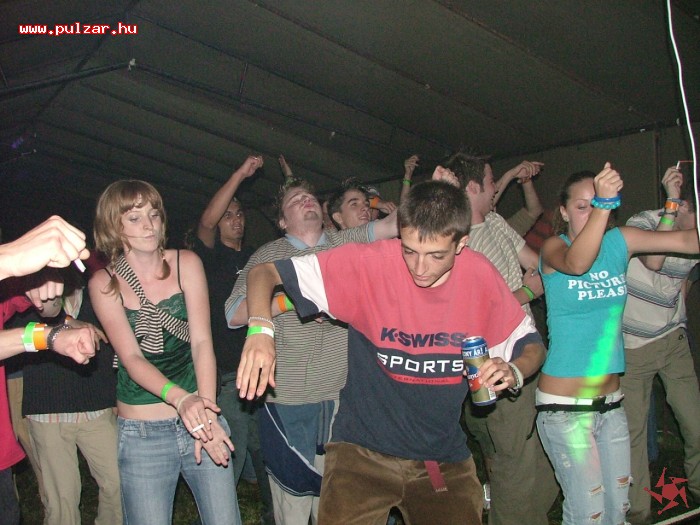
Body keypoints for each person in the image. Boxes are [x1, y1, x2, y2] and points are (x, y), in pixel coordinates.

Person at [237, 179, 546, 524]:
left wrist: (513, 370)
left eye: (436, 255)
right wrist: (260, 331)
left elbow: (531, 345)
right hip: (361, 453)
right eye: (409, 251)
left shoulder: (479, 276)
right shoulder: (369, 264)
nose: (419, 268)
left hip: (440, 457)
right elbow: (265, 272)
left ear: (462, 243)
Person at [225, 176, 398, 525]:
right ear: (282, 220)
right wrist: (295, 300)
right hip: (288, 400)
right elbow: (233, 314)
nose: (306, 200)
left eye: (310, 196)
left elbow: (395, 225)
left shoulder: (343, 241)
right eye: (295, 200)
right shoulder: (268, 256)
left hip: (341, 398)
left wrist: (420, 192)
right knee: (292, 505)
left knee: (337, 503)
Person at [536, 163, 700, 525]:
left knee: (617, 513)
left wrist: (679, 204)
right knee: (588, 515)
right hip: (565, 410)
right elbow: (579, 264)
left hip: (611, 406)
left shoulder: (619, 241)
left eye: (596, 204)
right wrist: (603, 205)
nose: (591, 212)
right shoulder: (554, 248)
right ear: (564, 212)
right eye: (582, 206)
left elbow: (687, 242)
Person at [88, 180, 241, 525]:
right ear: (113, 227)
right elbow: (131, 358)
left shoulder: (187, 262)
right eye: (135, 218)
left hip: (201, 415)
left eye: (154, 214)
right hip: (143, 433)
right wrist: (181, 399)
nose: (149, 225)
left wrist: (206, 414)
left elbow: (202, 343)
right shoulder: (103, 283)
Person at [441, 152, 558, 525]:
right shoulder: (459, 245)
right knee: (513, 462)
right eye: (492, 181)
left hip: (525, 350)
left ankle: (527, 512)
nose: (497, 188)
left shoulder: (494, 222)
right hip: (494, 364)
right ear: (473, 187)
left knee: (530, 453)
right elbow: (473, 311)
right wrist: (527, 292)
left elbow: (534, 262)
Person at [193, 155, 274, 524]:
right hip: (228, 376)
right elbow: (207, 223)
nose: (236, 220)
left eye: (240, 214)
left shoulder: (259, 257)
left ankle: (274, 516)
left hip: (263, 373)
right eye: (229, 214)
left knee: (268, 454)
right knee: (231, 453)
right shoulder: (211, 257)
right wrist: (241, 174)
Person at [619, 166, 700, 524]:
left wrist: (678, 311)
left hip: (672, 342)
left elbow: (684, 278)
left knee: (695, 422)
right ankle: (638, 511)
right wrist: (671, 202)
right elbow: (654, 260)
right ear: (683, 207)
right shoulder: (644, 222)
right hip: (634, 347)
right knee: (633, 433)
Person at [10, 266, 122, 525]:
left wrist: (114, 396)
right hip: (48, 409)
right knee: (62, 501)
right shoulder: (30, 291)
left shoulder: (96, 290)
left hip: (97, 406)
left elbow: (110, 343)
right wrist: (68, 321)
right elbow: (16, 330)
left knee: (118, 483)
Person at [492, 160, 545, 236]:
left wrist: (526, 179)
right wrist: (510, 175)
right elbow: (486, 204)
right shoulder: (478, 233)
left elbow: (534, 212)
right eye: (490, 182)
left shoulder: (499, 230)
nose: (494, 189)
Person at [326, 178, 396, 230]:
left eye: (367, 205)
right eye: (354, 204)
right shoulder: (332, 242)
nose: (366, 208)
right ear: (338, 217)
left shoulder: (381, 242)